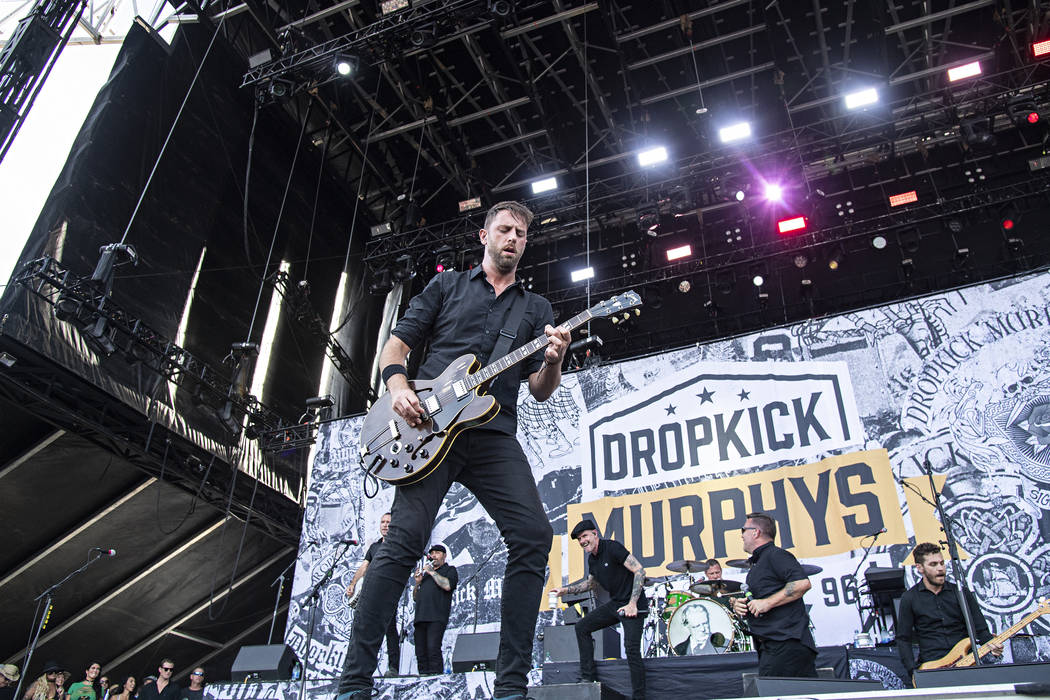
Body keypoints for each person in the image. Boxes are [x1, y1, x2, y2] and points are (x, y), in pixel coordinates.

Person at [337, 201, 568, 700]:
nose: (513, 238)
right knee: (401, 544)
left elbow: (542, 389)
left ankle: (511, 687)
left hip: (492, 434)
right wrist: (399, 388)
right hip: (427, 430)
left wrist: (554, 359)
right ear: (483, 235)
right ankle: (353, 685)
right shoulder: (446, 286)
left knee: (532, 536)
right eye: (504, 229)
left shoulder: (537, 309)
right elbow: (395, 348)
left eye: (521, 233)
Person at [553, 519, 648, 700]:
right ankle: (588, 676)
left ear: (595, 534)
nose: (582, 541)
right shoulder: (593, 559)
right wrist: (564, 590)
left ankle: (639, 697)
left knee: (632, 650)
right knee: (581, 627)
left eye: (584, 536)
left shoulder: (612, 548)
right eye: (579, 539)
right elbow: (590, 584)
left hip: (633, 605)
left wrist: (633, 603)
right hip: (616, 604)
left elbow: (640, 571)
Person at [896, 542, 1002, 677]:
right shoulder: (910, 598)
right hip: (933, 666)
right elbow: (903, 639)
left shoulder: (961, 592)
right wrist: (913, 671)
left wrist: (993, 648)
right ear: (920, 568)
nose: (940, 568)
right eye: (933, 564)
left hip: (967, 664)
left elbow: (981, 629)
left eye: (942, 563)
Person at [730, 512, 817, 677]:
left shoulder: (776, 555)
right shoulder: (759, 564)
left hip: (786, 645)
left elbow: (802, 583)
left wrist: (767, 603)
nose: (741, 535)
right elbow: (760, 602)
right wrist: (742, 606)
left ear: (755, 532)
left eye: (743, 530)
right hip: (773, 646)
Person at [346, 513, 401, 676]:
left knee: (390, 631)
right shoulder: (374, 547)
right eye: (382, 522)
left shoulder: (397, 545)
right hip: (370, 594)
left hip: (388, 593)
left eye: (388, 522)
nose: (385, 525)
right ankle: (359, 669)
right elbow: (364, 567)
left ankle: (393, 668)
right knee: (362, 629)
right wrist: (353, 584)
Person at [412, 544, 459, 675]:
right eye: (432, 553)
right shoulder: (425, 575)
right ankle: (422, 680)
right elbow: (416, 597)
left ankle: (436, 679)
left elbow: (448, 586)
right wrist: (417, 583)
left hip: (436, 617)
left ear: (444, 556)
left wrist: (432, 572)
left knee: (433, 649)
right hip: (420, 617)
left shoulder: (449, 570)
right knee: (420, 653)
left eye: (437, 553)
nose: (433, 556)